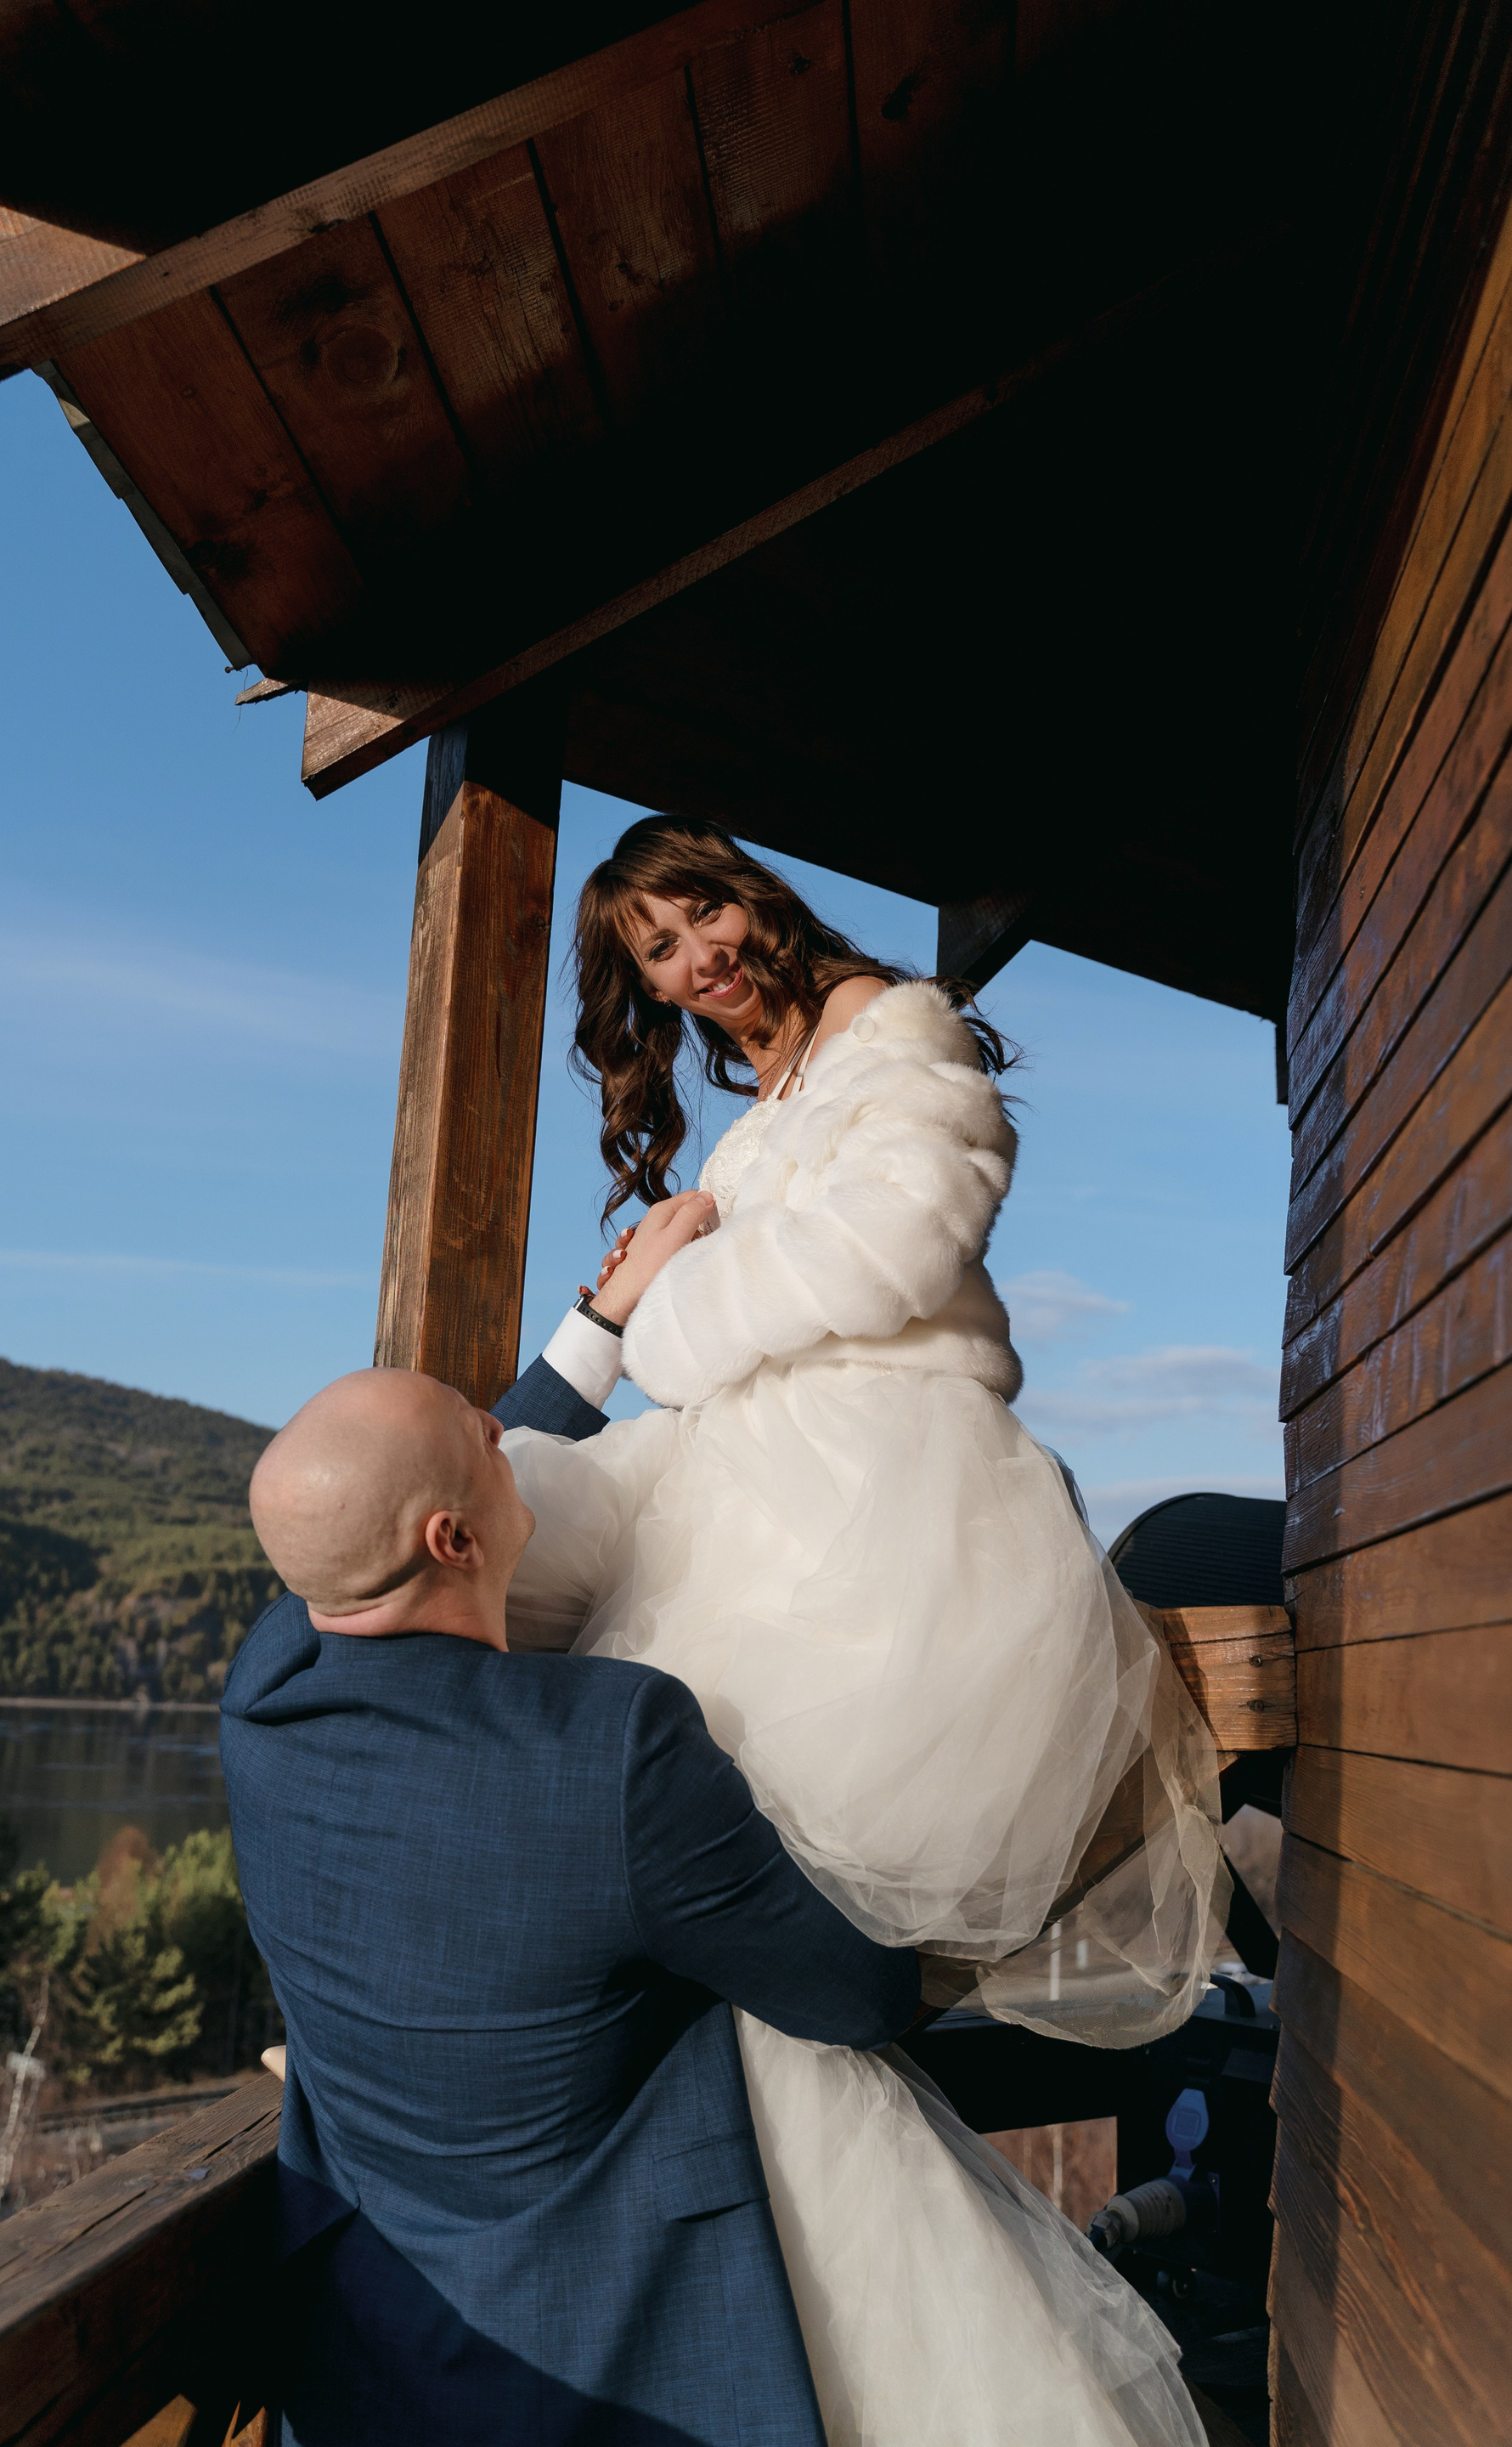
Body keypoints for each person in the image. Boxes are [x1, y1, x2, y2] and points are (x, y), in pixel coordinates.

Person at [496, 817, 1228, 2447]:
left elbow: (902, 1245)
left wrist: (664, 1315)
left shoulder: (900, 1030)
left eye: (703, 915)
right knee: (646, 1850)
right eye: (658, 953)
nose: (698, 960)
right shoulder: (765, 1100)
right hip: (750, 1481)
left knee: (755, 1937)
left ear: (753, 896)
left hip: (877, 1490)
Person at [222, 1304, 920, 2447]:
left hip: (365, 2361)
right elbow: (861, 2001)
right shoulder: (613, 1749)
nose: (503, 1426)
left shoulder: (265, 1690)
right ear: (454, 1542)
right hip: (616, 2373)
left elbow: (391, 1510)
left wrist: (599, 1328)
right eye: (479, 1430)